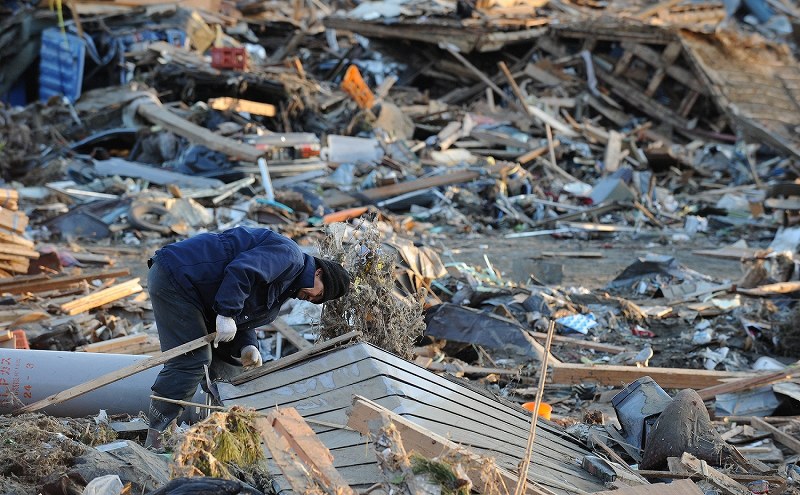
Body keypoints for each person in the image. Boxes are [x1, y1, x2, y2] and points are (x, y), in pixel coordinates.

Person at [143, 226, 351, 450]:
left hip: (201, 295)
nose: (312, 298)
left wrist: (248, 346)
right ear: (318, 273)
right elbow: (242, 271)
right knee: (191, 361)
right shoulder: (290, 257)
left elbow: (246, 311)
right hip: (178, 278)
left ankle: (219, 438)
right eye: (318, 293)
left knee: (231, 376)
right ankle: (158, 435)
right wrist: (226, 312)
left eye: (317, 301)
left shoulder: (286, 287)